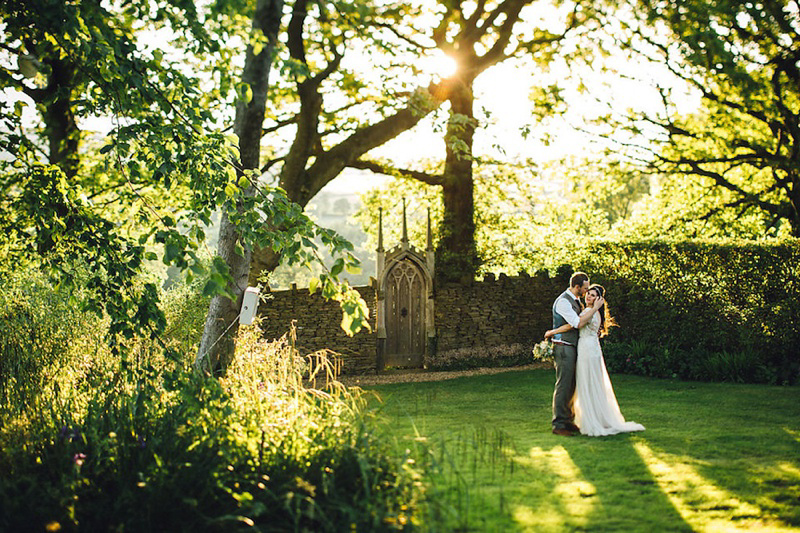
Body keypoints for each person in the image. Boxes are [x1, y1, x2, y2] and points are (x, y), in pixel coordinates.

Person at [546, 284, 645, 437]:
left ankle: (591, 421)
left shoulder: (589, 312)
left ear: (598, 299)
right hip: (591, 348)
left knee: (587, 383)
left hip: (587, 350)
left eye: (592, 295)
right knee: (590, 384)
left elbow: (575, 324)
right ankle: (587, 418)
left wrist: (553, 331)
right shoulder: (593, 312)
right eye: (588, 293)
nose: (588, 296)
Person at [546, 272, 605, 436]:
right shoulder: (564, 301)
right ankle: (559, 424)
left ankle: (568, 420)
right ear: (577, 287)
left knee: (572, 384)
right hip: (563, 346)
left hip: (573, 346)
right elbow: (576, 323)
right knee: (564, 384)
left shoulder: (576, 300)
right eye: (585, 288)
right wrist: (552, 332)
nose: (587, 291)